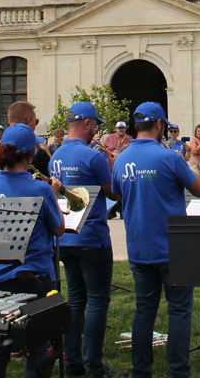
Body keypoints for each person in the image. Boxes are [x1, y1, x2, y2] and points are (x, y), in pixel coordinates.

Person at [111, 101, 200, 378]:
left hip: (139, 246)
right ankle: (178, 371)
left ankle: (141, 370)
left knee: (144, 310)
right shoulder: (170, 157)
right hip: (172, 246)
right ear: (159, 125)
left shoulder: (122, 159)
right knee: (178, 310)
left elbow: (116, 192)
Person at [0, 123, 65, 378]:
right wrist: (54, 194)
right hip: (34, 276)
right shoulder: (40, 189)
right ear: (30, 155)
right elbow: (58, 229)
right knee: (37, 345)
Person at [51, 101, 119, 378]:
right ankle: (93, 365)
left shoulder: (56, 155)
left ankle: (73, 362)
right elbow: (113, 193)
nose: (96, 131)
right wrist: (113, 164)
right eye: (95, 125)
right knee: (98, 301)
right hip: (92, 237)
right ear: (87, 124)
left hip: (67, 237)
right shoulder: (94, 156)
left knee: (76, 299)